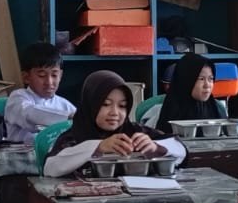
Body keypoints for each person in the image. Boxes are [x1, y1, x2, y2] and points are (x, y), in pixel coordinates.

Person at [43, 70, 184, 178]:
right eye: (105, 104)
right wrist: (98, 147)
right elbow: (50, 168)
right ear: (90, 104)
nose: (114, 112)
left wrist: (157, 148)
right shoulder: (74, 136)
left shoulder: (134, 132)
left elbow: (181, 150)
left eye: (122, 106)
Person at [4, 41, 75, 145]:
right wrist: (68, 117)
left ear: (60, 75)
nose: (49, 82)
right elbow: (30, 114)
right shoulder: (17, 98)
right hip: (21, 153)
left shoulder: (65, 105)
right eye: (42, 75)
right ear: (26, 77)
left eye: (54, 75)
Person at [153, 53, 223, 132]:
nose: (207, 85)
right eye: (201, 79)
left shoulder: (215, 108)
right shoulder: (172, 111)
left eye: (211, 79)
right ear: (187, 81)